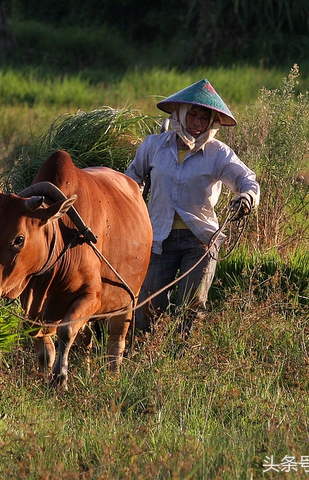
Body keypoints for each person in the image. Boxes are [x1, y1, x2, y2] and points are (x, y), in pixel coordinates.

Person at [125, 79, 260, 335]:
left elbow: (247, 180)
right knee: (147, 308)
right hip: (157, 239)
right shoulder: (154, 146)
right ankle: (144, 357)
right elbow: (133, 179)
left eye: (204, 118)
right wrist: (129, 208)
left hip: (199, 241)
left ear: (212, 122)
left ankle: (181, 361)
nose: (197, 123)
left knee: (190, 308)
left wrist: (247, 198)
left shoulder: (218, 153)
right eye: (193, 115)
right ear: (180, 114)